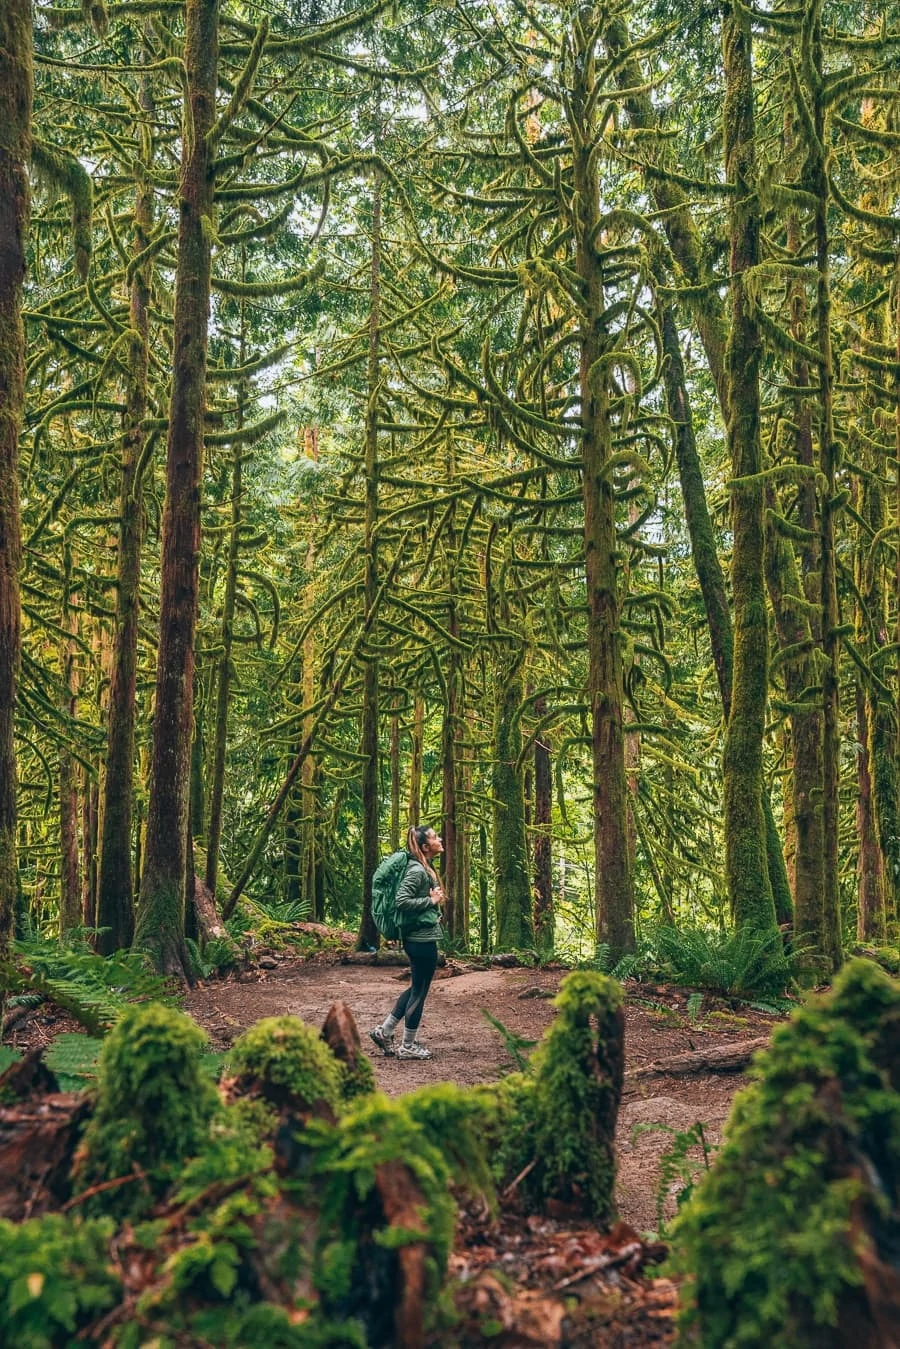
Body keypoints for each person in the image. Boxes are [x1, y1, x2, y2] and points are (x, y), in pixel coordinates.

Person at [369, 824, 444, 1060]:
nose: (439, 839)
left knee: (416, 988)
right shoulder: (417, 871)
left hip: (420, 938)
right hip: (420, 941)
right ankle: (408, 1045)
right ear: (424, 847)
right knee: (419, 992)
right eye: (434, 837)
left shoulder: (423, 867)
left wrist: (431, 907)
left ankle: (384, 1031)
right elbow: (402, 901)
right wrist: (430, 903)